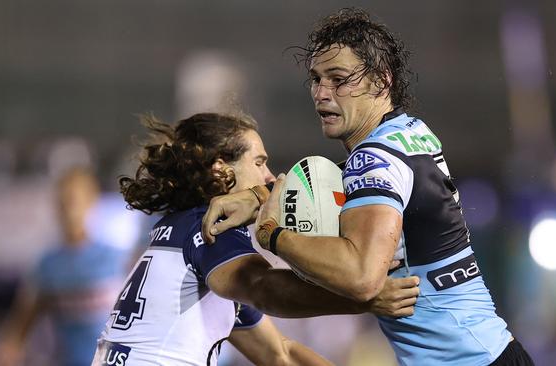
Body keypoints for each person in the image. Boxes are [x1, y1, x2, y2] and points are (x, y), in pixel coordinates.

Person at [203, 8, 534, 366]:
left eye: (339, 79)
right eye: (316, 78)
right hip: (493, 350)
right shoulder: (408, 132)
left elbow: (361, 278)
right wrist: (258, 197)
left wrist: (273, 236)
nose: (322, 93)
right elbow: (340, 180)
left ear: (381, 81)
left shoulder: (372, 158)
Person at [93, 112, 419, 365]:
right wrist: (362, 298)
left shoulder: (183, 230)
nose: (269, 176)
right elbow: (266, 290)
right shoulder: (211, 227)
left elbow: (280, 355)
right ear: (221, 169)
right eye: (258, 161)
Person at [0, 168, 127, 366]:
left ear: (91, 203)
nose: (69, 211)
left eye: (74, 202)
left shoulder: (116, 258)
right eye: (63, 203)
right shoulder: (49, 265)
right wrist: (9, 349)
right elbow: (21, 323)